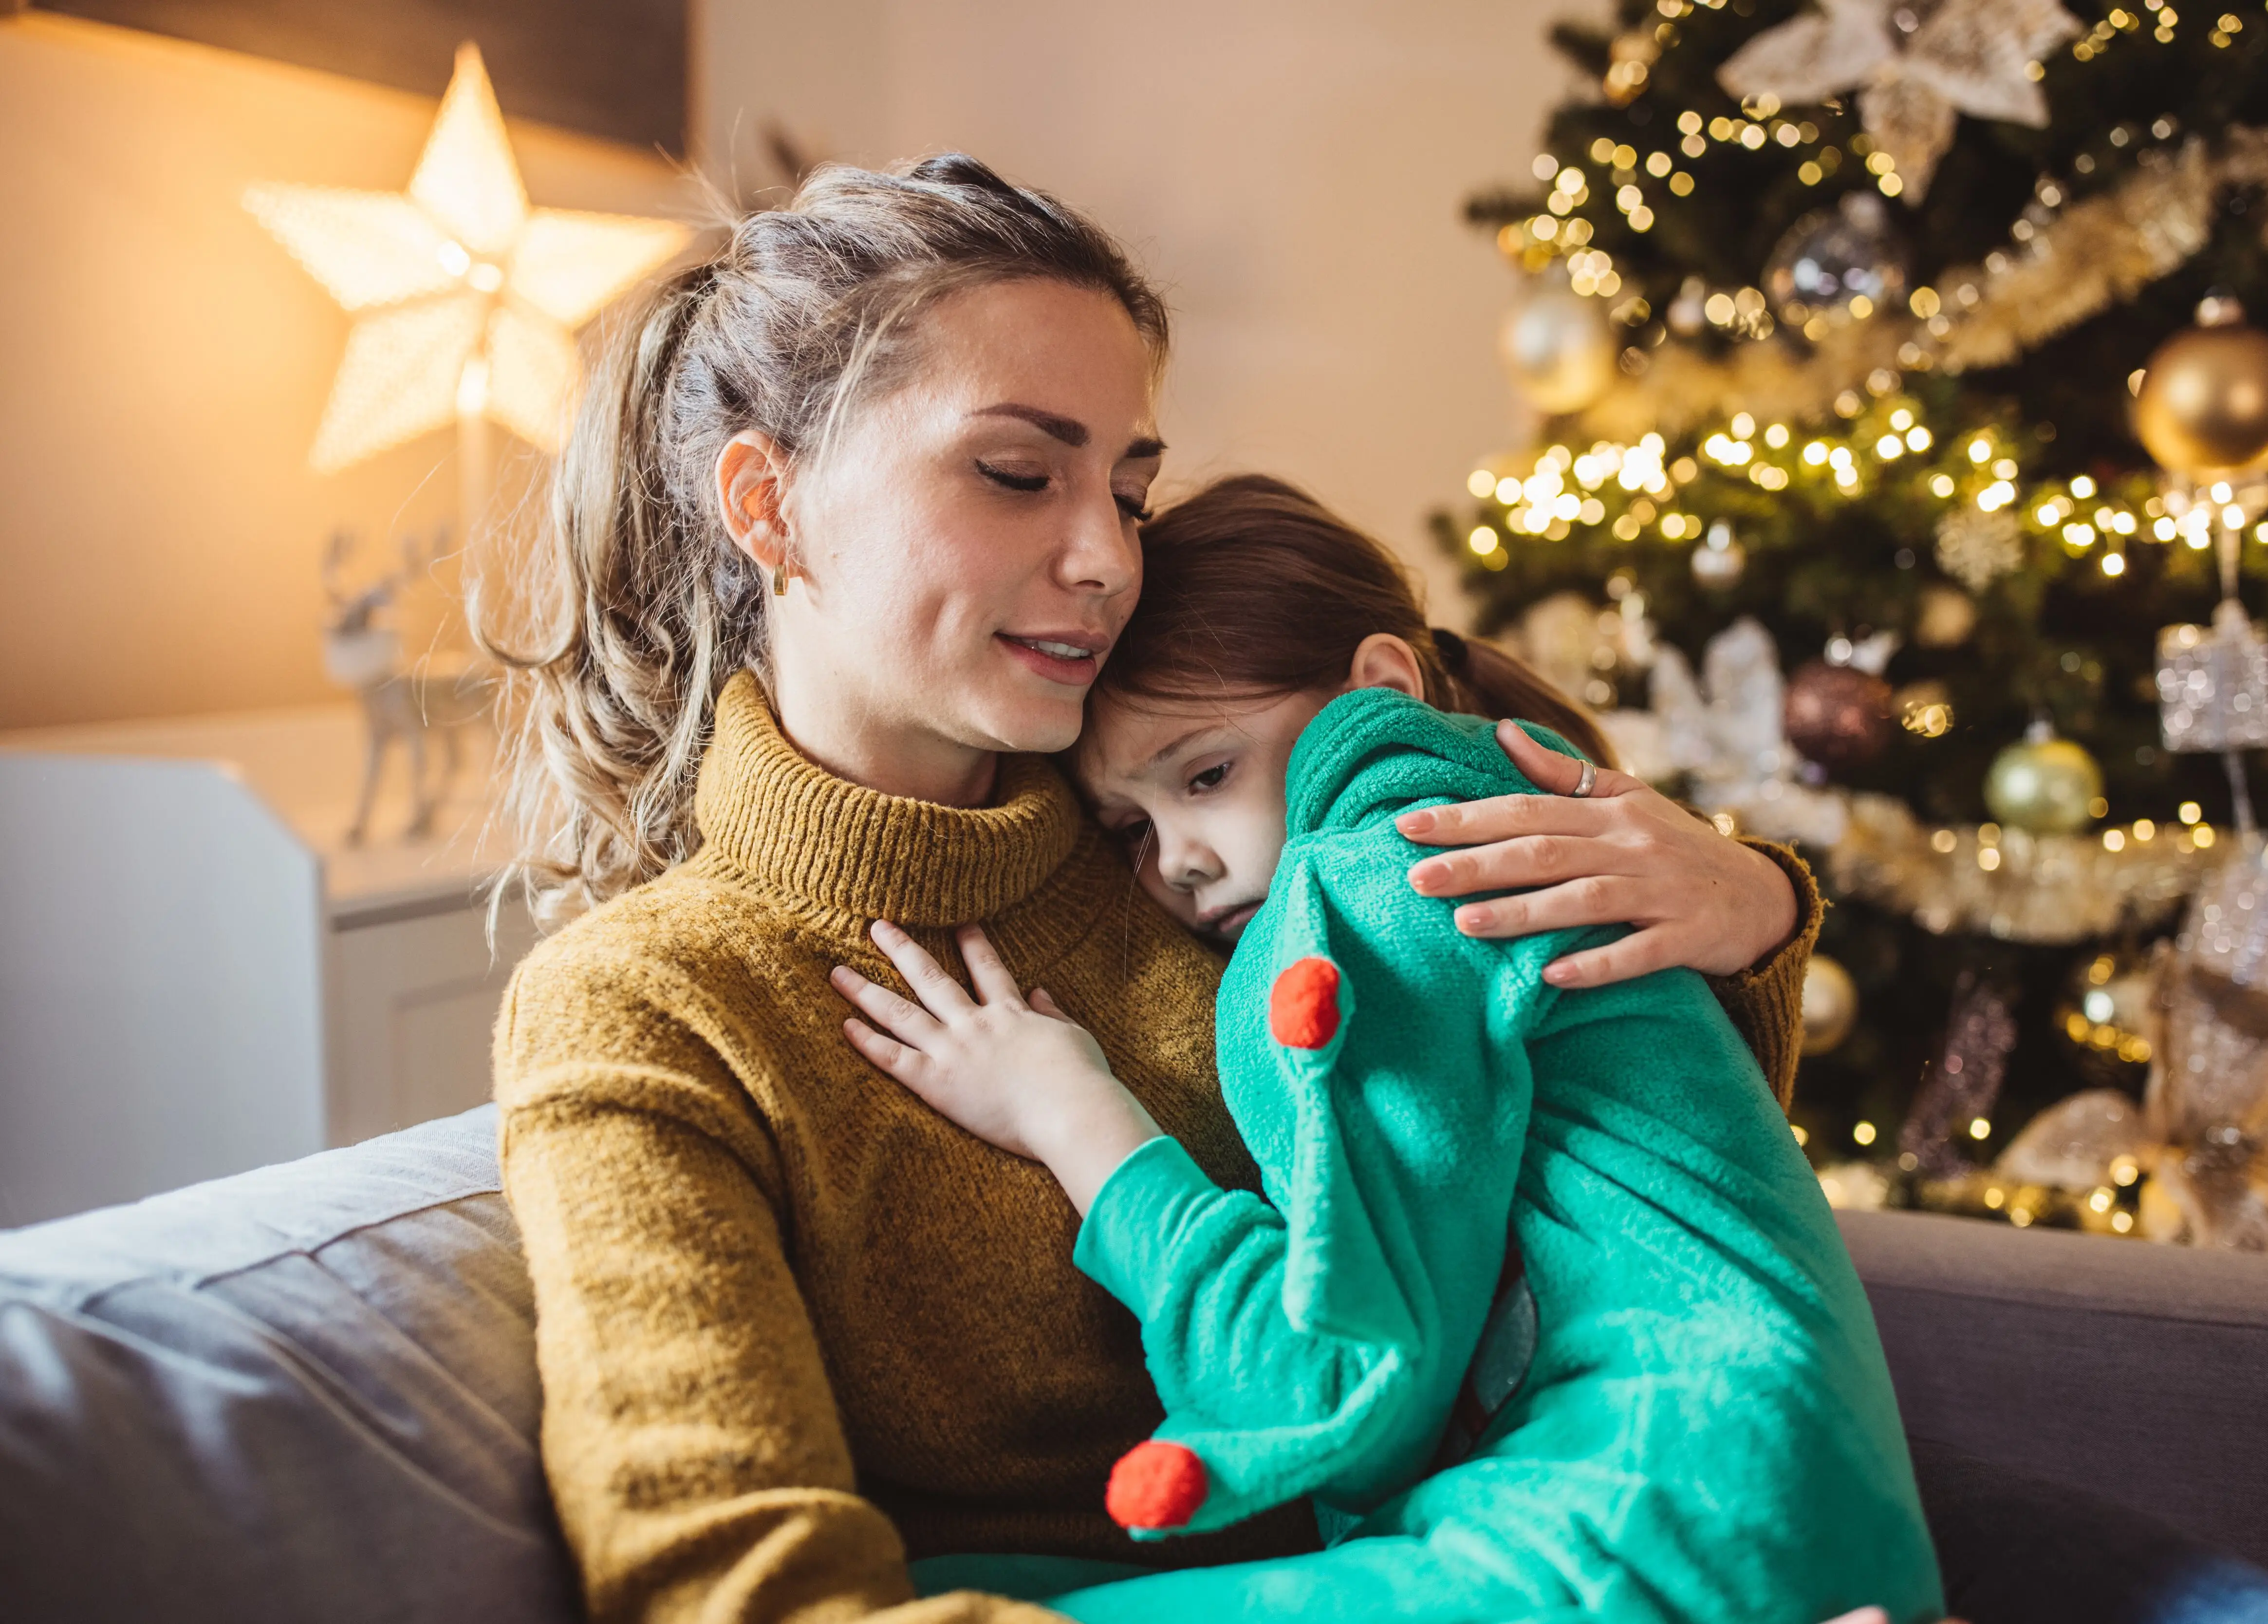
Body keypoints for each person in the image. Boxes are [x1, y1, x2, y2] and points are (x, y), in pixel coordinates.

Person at [482, 155, 1817, 1624]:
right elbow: (742, 1588)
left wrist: (1747, 913)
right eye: (1016, 473)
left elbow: (1632, 1192)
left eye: (1131, 488)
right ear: (768, 502)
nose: (1109, 556)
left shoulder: (1231, 845)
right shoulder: (649, 1010)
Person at [834, 476, 1943, 1624]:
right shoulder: (1486, 820)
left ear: (1375, 684)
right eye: (1131, 828)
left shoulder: (1379, 878)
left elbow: (1342, 1383)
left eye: (1206, 774)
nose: (1177, 863)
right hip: (1764, 1496)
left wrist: (1074, 1117)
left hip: (1657, 1521)